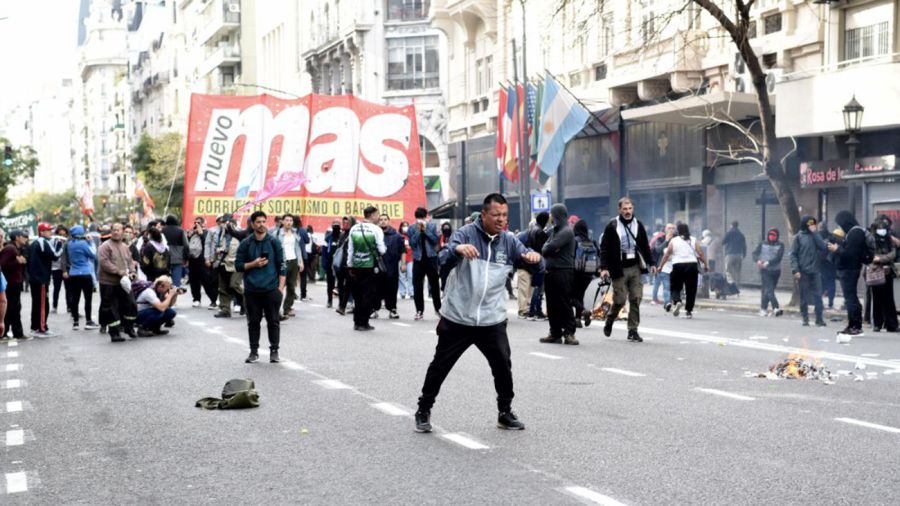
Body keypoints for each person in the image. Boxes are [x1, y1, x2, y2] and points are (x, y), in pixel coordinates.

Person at [414, 193, 541, 433]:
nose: (501, 219)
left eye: (504, 215)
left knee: (503, 364)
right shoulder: (466, 233)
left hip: (491, 319)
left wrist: (536, 260)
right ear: (483, 215)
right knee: (440, 365)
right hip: (459, 317)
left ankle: (505, 412)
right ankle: (423, 409)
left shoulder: (510, 242)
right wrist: (458, 249)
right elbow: (443, 258)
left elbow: (532, 262)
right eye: (496, 215)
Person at [599, 197, 656, 342]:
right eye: (624, 209)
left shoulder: (638, 225)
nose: (627, 211)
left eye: (630, 208)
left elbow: (645, 246)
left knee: (636, 298)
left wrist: (651, 263)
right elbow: (604, 248)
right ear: (619, 210)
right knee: (620, 300)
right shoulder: (612, 226)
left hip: (635, 267)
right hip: (619, 269)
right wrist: (604, 268)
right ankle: (610, 319)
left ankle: (632, 330)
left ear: (633, 209)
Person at [235, 211, 287, 363]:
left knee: (273, 321)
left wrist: (280, 289)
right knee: (253, 322)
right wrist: (253, 264)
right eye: (258, 222)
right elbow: (238, 266)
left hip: (271, 290)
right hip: (252, 290)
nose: (262, 224)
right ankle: (253, 352)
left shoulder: (274, 242)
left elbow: (282, 266)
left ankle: (274, 351)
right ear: (252, 224)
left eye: (264, 221)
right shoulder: (246, 243)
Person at [540, 204, 578, 345]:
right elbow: (545, 248)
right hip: (551, 272)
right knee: (552, 304)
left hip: (563, 272)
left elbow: (549, 248)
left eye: (552, 214)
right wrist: (549, 248)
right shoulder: (555, 231)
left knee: (564, 303)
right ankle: (555, 333)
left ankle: (569, 333)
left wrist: (550, 248)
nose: (550, 216)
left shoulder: (566, 231)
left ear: (557, 215)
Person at [346, 206, 387, 331]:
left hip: (356, 266)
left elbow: (350, 250)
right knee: (368, 294)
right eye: (378, 215)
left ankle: (356, 322)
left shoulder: (354, 228)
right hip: (370, 266)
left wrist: (350, 265)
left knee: (357, 295)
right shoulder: (376, 229)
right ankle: (364, 322)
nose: (379, 217)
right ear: (373, 215)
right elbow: (381, 250)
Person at [98, 223, 138, 342]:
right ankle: (114, 333)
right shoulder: (105, 246)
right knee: (112, 308)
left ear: (122, 232)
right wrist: (119, 271)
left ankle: (129, 328)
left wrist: (132, 271)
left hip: (123, 283)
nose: (116, 232)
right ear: (111, 231)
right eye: (114, 230)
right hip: (108, 283)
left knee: (131, 304)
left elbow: (130, 261)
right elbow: (104, 262)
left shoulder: (125, 246)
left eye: (118, 230)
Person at [658, 223, 708, 319]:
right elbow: (700, 253)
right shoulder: (693, 240)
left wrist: (660, 266)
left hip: (678, 265)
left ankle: (677, 301)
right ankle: (688, 311)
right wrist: (705, 265)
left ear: (678, 231)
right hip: (692, 266)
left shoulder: (674, 240)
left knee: (675, 286)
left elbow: (666, 255)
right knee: (691, 290)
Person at [790, 216, 828, 327]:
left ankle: (819, 318)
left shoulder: (816, 236)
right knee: (804, 296)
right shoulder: (798, 237)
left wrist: (815, 233)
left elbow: (822, 247)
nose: (812, 226)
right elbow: (793, 255)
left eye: (813, 224)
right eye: (810, 224)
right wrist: (795, 270)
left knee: (818, 296)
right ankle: (805, 318)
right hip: (803, 271)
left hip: (815, 271)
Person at [28, 222, 62, 337]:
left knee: (37, 304)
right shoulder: (43, 242)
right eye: (48, 230)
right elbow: (55, 255)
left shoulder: (34, 243)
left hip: (35, 278)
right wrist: (60, 245)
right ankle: (42, 328)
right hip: (41, 278)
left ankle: (35, 327)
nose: (51, 232)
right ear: (42, 232)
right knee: (43, 304)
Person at [208, 214, 246, 318]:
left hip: (236, 264)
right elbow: (217, 246)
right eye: (222, 222)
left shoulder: (240, 232)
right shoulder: (220, 233)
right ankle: (225, 309)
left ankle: (247, 304)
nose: (223, 225)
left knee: (235, 285)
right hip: (223, 263)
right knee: (223, 288)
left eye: (225, 222)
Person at [63, 225, 100, 331]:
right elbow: (93, 255)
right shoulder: (83, 244)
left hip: (73, 273)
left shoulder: (69, 244)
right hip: (85, 273)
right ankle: (88, 321)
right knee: (88, 299)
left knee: (75, 299)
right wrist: (91, 242)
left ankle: (75, 322)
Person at [408, 207, 441, 320]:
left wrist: (425, 230)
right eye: (419, 218)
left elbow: (435, 240)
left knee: (435, 285)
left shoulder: (432, 226)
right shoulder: (412, 228)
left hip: (431, 258)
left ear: (426, 217)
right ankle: (419, 311)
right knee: (417, 286)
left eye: (422, 218)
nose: (421, 220)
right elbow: (412, 243)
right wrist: (418, 231)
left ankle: (438, 309)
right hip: (418, 259)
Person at [515, 212, 549, 319]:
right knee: (527, 289)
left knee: (526, 290)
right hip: (528, 266)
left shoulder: (523, 235)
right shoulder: (537, 234)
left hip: (526, 266)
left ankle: (526, 310)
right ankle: (524, 311)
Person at [866, 218, 897, 332]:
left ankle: (891, 324)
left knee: (889, 299)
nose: (881, 231)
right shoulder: (872, 240)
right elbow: (872, 255)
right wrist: (878, 259)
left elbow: (893, 253)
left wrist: (881, 259)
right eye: (879, 228)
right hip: (876, 272)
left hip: (888, 272)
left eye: (883, 228)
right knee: (877, 298)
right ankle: (877, 324)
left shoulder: (890, 239)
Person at [373, 213, 405, 320]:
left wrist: (403, 264)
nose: (383, 221)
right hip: (378, 268)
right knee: (376, 289)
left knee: (392, 289)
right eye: (380, 219)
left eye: (385, 219)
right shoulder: (375, 235)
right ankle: (374, 310)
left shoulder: (397, 236)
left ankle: (392, 310)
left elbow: (403, 251)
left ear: (389, 221)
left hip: (392, 268)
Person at [273, 215, 305, 320]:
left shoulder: (295, 233)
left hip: (294, 261)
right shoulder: (277, 233)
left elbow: (297, 248)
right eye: (287, 220)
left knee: (292, 286)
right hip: (283, 262)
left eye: (291, 220)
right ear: (282, 222)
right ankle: (275, 308)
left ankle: (287, 308)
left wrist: (300, 261)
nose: (289, 222)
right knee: (280, 286)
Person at [571, 219, 600, 327]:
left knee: (570, 296)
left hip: (576, 272)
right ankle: (577, 319)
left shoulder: (574, 240)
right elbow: (599, 254)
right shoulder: (592, 241)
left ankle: (583, 311)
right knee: (580, 295)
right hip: (589, 274)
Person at [0, 231, 28, 340]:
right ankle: (15, 333)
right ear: (17, 237)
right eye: (23, 236)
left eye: (2, 237)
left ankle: (13, 332)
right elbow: (2, 264)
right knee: (13, 308)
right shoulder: (10, 248)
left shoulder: (13, 248)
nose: (25, 238)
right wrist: (18, 262)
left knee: (14, 308)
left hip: (13, 282)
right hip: (11, 283)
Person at [753, 228, 785, 317]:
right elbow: (754, 254)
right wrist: (758, 260)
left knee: (768, 291)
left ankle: (763, 309)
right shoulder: (762, 244)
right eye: (770, 234)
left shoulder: (781, 245)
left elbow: (779, 258)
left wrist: (769, 262)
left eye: (774, 235)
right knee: (769, 290)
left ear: (777, 236)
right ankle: (776, 308)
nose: (771, 237)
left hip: (776, 271)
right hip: (765, 271)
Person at [187, 218, 216, 308]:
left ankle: (213, 300)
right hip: (192, 261)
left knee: (207, 281)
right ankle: (196, 299)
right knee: (193, 281)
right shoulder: (192, 233)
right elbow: (187, 245)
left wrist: (201, 234)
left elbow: (208, 244)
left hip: (203, 261)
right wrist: (189, 235)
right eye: (195, 222)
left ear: (204, 224)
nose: (197, 224)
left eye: (199, 223)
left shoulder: (207, 232)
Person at [651, 223, 675, 306]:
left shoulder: (676, 238)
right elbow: (658, 249)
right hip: (661, 264)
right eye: (669, 228)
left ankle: (669, 300)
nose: (671, 230)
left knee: (670, 283)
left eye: (672, 228)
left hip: (673, 265)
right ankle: (656, 299)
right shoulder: (661, 238)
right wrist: (666, 241)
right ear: (665, 229)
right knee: (658, 283)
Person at [162, 215, 189, 288]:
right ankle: (173, 296)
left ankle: (166, 297)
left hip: (164, 259)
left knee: (164, 282)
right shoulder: (180, 230)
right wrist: (186, 258)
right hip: (177, 259)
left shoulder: (162, 230)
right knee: (176, 284)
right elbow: (186, 245)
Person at [321, 219, 342, 309]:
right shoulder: (328, 237)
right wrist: (324, 264)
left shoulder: (342, 236)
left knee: (341, 283)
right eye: (334, 225)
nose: (336, 227)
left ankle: (341, 303)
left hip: (340, 263)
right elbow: (324, 251)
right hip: (330, 263)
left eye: (338, 225)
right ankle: (329, 300)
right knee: (330, 283)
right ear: (332, 226)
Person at [722, 221, 747, 291]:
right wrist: (744, 255)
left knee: (728, 272)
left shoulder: (729, 233)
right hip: (739, 255)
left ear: (731, 225)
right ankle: (737, 288)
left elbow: (723, 242)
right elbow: (744, 246)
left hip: (730, 254)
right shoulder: (741, 234)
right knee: (737, 272)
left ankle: (729, 288)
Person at [50, 226, 70, 314]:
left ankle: (69, 307)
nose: (62, 236)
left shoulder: (69, 242)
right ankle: (54, 306)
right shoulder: (54, 242)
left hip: (66, 268)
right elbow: (53, 254)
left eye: (64, 234)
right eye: (60, 234)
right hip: (56, 268)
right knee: (56, 288)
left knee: (68, 289)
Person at [398, 221, 414, 300]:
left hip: (410, 258)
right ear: (400, 227)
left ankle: (411, 292)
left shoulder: (411, 236)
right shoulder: (399, 236)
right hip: (401, 258)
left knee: (411, 275)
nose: (405, 227)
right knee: (401, 276)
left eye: (407, 225)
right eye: (403, 226)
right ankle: (402, 293)